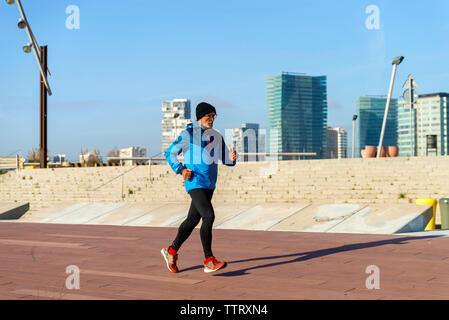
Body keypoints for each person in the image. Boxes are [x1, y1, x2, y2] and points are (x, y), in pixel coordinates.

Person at [161, 102, 237, 273]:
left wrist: (232, 158)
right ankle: (208, 260)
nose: (211, 119)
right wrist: (180, 169)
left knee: (192, 220)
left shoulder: (217, 136)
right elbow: (170, 153)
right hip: (195, 181)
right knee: (208, 216)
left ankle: (171, 251)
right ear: (199, 117)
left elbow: (225, 159)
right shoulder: (188, 134)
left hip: (209, 184)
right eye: (208, 116)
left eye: (213, 116)